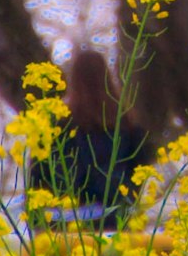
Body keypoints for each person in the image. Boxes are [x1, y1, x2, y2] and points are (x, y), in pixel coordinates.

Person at [32, 47, 152, 230]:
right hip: (113, 223)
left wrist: (38, 222)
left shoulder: (56, 128)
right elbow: (139, 175)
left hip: (65, 226)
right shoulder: (128, 126)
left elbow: (38, 178)